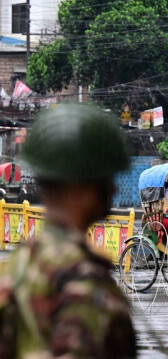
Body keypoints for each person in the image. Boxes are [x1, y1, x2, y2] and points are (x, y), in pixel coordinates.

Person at [0, 103, 136, 358]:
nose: (114, 190)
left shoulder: (18, 266)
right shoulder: (83, 279)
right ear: (82, 186)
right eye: (106, 180)